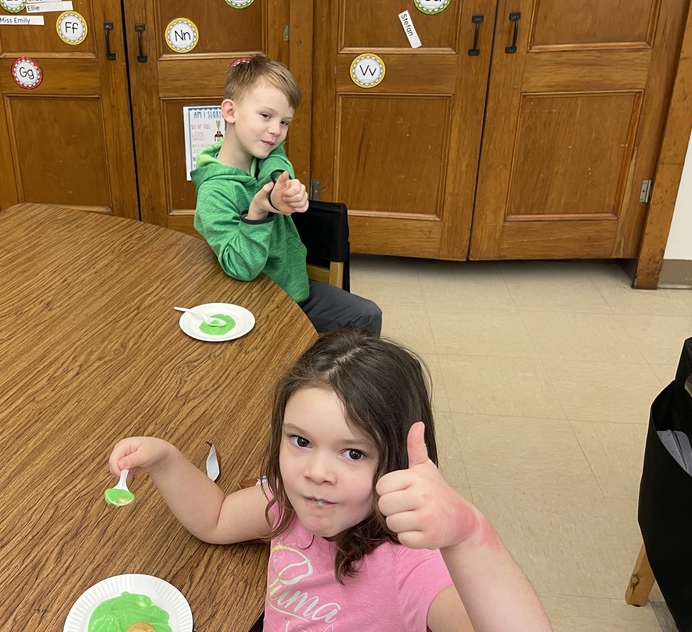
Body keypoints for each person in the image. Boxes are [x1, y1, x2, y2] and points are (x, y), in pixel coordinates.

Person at [108, 329, 551, 631]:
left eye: (353, 452)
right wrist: (165, 461)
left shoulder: (411, 564)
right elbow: (217, 518)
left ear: (395, 461)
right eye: (300, 441)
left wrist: (470, 536)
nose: (317, 473)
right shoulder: (286, 505)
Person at [191, 55, 382, 334]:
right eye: (266, 116)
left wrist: (280, 185)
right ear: (230, 112)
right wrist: (258, 211)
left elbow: (277, 161)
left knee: (368, 315)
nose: (276, 131)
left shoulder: (264, 151)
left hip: (293, 289)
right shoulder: (214, 192)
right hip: (256, 304)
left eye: (285, 122)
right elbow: (241, 267)